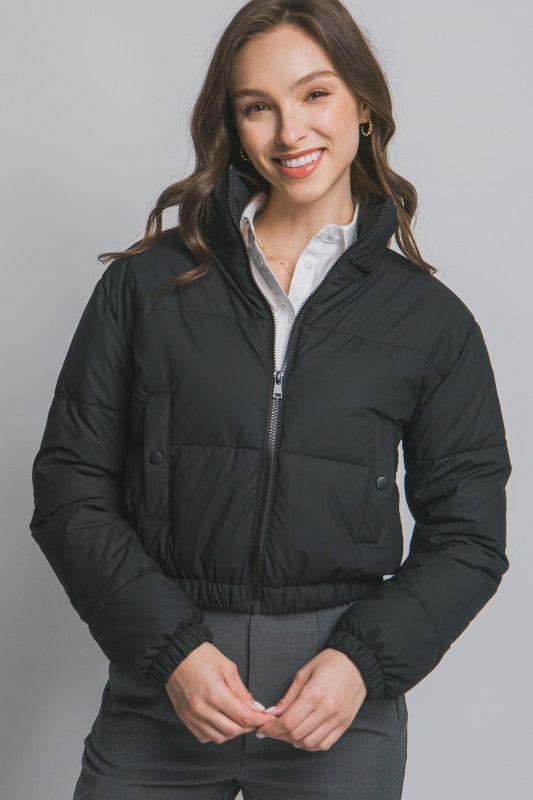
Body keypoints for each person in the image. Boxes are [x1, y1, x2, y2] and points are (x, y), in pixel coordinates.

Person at [29, 1, 512, 798]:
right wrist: (172, 651)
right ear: (232, 123)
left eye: (315, 94)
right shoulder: (145, 287)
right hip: (164, 684)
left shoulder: (432, 324)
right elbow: (69, 488)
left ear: (362, 104)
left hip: (338, 701)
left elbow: (468, 538)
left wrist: (362, 663)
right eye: (258, 106)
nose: (290, 132)